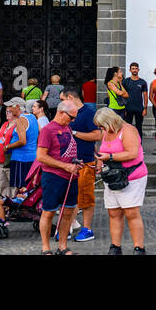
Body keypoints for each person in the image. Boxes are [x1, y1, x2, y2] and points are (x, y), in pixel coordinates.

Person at [94, 106, 147, 254]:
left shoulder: (128, 130)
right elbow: (104, 150)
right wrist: (100, 163)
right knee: (114, 213)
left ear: (110, 121)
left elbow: (132, 153)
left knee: (131, 212)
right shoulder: (106, 131)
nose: (101, 129)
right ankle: (115, 247)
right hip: (112, 177)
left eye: (101, 125)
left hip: (132, 177)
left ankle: (139, 248)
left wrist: (110, 157)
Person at [36, 99, 82, 255]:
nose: (73, 120)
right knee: (48, 212)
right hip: (53, 176)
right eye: (71, 117)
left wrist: (75, 163)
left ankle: (62, 246)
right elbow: (41, 156)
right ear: (61, 112)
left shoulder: (67, 127)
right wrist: (64, 166)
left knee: (68, 212)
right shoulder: (47, 130)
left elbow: (66, 152)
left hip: (71, 177)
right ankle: (45, 248)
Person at [60, 86, 99, 243]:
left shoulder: (88, 113)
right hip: (68, 164)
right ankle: (66, 228)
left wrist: (75, 134)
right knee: (69, 198)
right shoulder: (67, 114)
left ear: (70, 98)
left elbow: (97, 134)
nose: (61, 103)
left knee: (86, 198)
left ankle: (87, 229)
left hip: (84, 162)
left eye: (63, 100)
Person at [2, 98, 38, 199]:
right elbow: (39, 132)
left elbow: (22, 141)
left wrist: (7, 146)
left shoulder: (20, 120)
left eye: (10, 107)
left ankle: (20, 211)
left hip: (21, 159)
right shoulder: (32, 117)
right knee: (27, 187)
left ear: (17, 107)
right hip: (31, 157)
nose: (8, 109)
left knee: (21, 189)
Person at [122, 62, 149, 136]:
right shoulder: (125, 81)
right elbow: (122, 95)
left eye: (136, 69)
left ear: (138, 70)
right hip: (128, 108)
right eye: (133, 69)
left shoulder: (142, 82)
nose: (134, 70)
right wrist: (124, 108)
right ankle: (128, 144)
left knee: (139, 127)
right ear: (130, 70)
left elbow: (145, 95)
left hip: (139, 109)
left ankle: (139, 145)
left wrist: (145, 108)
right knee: (128, 127)